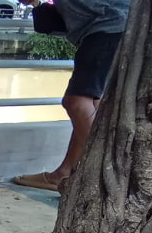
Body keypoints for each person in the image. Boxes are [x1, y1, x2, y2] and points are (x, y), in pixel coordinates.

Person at [13, 0, 132, 193]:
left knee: (76, 102)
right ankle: (64, 173)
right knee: (92, 104)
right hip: (116, 27)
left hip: (106, 27)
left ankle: (110, 170)